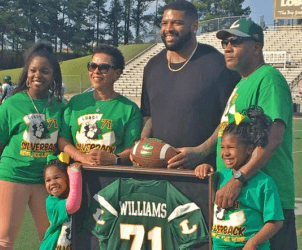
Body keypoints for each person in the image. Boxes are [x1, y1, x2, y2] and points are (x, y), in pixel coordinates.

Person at [198, 19, 297, 249]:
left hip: (265, 204)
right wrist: (199, 153)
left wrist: (239, 178)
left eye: (236, 41)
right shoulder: (242, 83)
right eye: (225, 42)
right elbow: (227, 132)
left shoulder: (268, 79)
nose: (227, 48)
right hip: (238, 201)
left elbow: (273, 137)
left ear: (256, 47)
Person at [140, 0, 240, 169]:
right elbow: (148, 116)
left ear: (195, 26)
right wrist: (142, 145)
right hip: (159, 170)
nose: (168, 28)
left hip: (202, 171)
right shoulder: (152, 66)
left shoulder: (218, 64)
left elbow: (232, 119)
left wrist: (201, 151)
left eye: (177, 23)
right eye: (164, 23)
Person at [0, 42, 65, 249]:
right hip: (13, 175)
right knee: (4, 239)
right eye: (33, 70)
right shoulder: (11, 103)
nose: (38, 75)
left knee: (51, 239)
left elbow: (62, 143)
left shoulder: (59, 107)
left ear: (53, 75)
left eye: (45, 71)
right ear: (26, 73)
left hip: (44, 181)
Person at [195, 106, 284, 249]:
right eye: (222, 147)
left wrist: (253, 242)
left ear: (249, 148)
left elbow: (276, 221)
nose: (225, 153)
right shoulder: (219, 176)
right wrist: (203, 168)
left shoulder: (264, 183)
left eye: (231, 147)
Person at [58, 44, 141, 165]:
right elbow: (63, 140)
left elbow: (133, 149)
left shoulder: (129, 109)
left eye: (103, 68)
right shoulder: (75, 103)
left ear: (117, 73)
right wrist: (81, 157)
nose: (96, 71)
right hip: (79, 176)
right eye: (92, 66)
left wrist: (114, 158)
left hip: (112, 178)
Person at [40, 154, 82, 250]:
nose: (52, 182)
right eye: (48, 180)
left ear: (67, 179)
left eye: (57, 177)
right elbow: (72, 205)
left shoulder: (69, 196)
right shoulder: (51, 203)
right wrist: (75, 174)